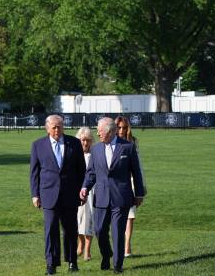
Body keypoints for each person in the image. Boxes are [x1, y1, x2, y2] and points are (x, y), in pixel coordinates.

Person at [79, 117, 145, 274]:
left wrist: (140, 193)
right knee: (100, 230)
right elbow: (91, 173)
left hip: (121, 197)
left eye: (100, 131)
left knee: (117, 231)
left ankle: (117, 265)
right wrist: (84, 187)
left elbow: (136, 172)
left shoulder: (128, 147)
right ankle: (106, 254)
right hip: (101, 197)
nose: (98, 134)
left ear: (109, 131)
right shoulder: (96, 149)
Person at [31, 115, 87, 275]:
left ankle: (72, 262)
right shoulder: (38, 145)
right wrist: (35, 194)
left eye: (60, 126)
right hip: (48, 194)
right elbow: (34, 173)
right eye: (54, 127)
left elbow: (82, 170)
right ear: (47, 128)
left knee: (70, 230)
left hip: (70, 194)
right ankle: (51, 263)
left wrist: (83, 190)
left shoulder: (74, 143)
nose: (57, 130)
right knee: (50, 230)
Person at [115, 116, 139, 258]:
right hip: (117, 184)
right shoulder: (111, 141)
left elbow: (138, 166)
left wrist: (141, 187)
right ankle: (119, 244)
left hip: (131, 182)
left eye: (124, 127)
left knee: (130, 216)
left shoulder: (133, 142)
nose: (122, 130)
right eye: (119, 127)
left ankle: (127, 245)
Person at [75, 126, 95, 262]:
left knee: (89, 220)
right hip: (76, 191)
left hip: (92, 192)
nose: (85, 143)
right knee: (76, 220)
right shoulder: (74, 155)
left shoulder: (94, 155)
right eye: (83, 140)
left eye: (87, 140)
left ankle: (87, 249)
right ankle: (80, 242)